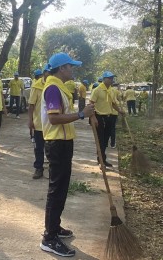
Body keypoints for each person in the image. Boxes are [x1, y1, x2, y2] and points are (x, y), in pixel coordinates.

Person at [39, 53, 94, 257]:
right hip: (57, 144)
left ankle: (55, 227)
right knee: (56, 190)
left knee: (61, 189)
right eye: (71, 66)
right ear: (61, 68)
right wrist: (81, 115)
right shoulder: (52, 88)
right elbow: (54, 119)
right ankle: (49, 238)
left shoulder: (60, 87)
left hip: (64, 143)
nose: (73, 70)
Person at [90, 71, 125, 167]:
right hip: (99, 117)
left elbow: (113, 103)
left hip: (109, 117)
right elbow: (91, 104)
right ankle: (101, 160)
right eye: (109, 78)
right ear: (104, 79)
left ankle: (102, 159)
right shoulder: (97, 90)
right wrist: (93, 118)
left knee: (105, 140)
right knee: (100, 140)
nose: (111, 80)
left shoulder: (111, 90)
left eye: (112, 78)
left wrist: (119, 111)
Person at [28, 67, 49, 179]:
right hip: (39, 124)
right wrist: (30, 120)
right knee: (38, 148)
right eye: (47, 72)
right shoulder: (36, 86)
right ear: (44, 73)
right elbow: (31, 105)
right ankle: (39, 168)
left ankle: (53, 169)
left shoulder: (55, 85)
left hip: (52, 125)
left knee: (51, 148)